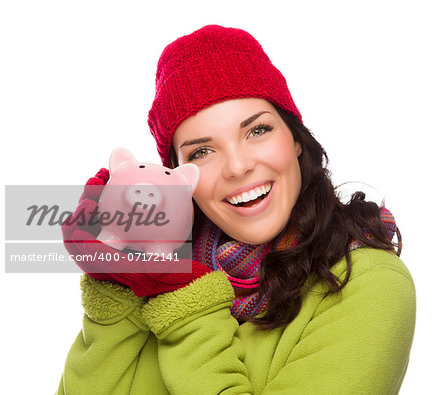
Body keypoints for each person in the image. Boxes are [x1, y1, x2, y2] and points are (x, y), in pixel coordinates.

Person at [57, 25, 416, 394]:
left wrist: (190, 304)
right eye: (202, 151)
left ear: (295, 139)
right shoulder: (153, 276)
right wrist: (115, 284)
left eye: (257, 131)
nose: (237, 167)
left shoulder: (369, 282)